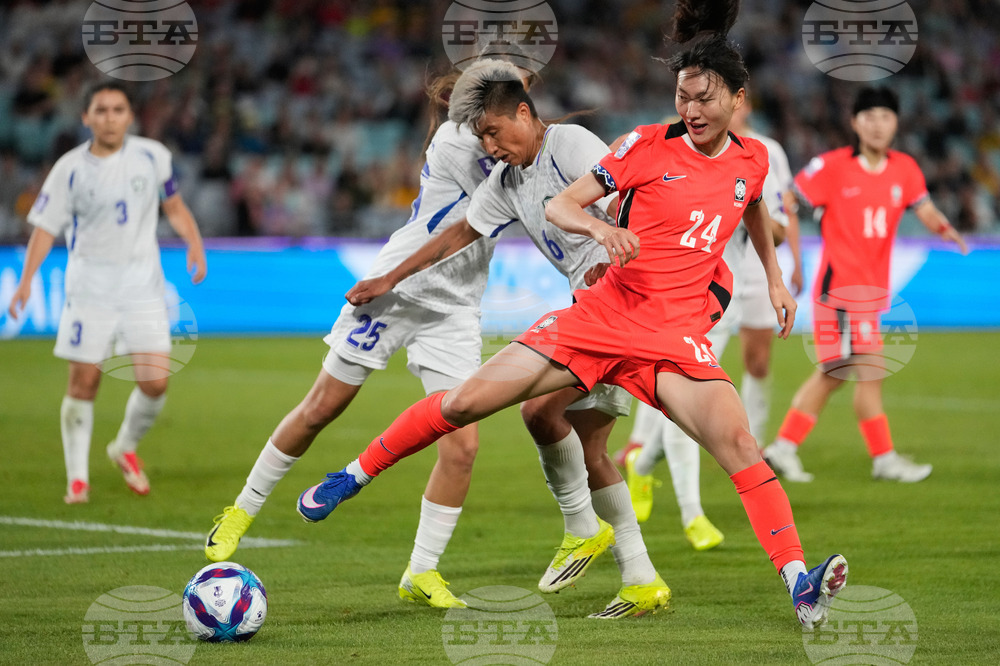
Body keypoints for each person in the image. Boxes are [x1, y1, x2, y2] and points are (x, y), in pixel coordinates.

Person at [296, 0, 849, 629]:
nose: (690, 111)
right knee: (466, 403)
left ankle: (799, 584)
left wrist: (775, 278)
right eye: (682, 97)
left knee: (741, 446)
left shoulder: (752, 160)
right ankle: (353, 475)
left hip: (672, 336)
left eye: (703, 99)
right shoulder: (643, 146)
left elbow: (748, 205)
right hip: (603, 315)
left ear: (736, 98)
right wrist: (599, 228)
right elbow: (562, 206)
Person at [337, 58, 671, 619]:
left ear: (524, 113)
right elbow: (459, 233)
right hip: (595, 309)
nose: (490, 147)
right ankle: (638, 576)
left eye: (494, 132)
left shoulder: (568, 145)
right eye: (481, 139)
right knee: (578, 440)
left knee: (525, 408)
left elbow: (635, 196)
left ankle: (582, 529)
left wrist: (617, 253)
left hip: (628, 302)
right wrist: (389, 277)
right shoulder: (507, 182)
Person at [6, 81, 207, 503]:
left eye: (117, 110)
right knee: (85, 382)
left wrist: (194, 242)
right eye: (101, 110)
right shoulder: (69, 169)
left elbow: (173, 206)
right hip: (90, 290)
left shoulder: (154, 156)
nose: (110, 117)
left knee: (154, 383)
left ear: (130, 116)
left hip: (142, 287)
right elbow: (45, 229)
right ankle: (77, 478)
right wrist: (26, 280)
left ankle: (124, 447)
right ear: (86, 117)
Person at [763, 86, 968, 483]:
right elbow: (786, 200)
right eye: (869, 117)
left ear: (896, 123)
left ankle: (784, 447)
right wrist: (793, 258)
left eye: (885, 117)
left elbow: (923, 207)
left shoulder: (904, 168)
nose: (877, 125)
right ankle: (883, 458)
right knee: (863, 368)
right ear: (855, 123)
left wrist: (945, 229)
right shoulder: (831, 167)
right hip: (838, 289)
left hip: (870, 292)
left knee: (835, 372)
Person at [622, 99, 800, 548]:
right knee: (687, 405)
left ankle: (641, 466)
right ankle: (692, 514)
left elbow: (773, 221)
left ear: (739, 104)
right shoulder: (663, 148)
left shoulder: (759, 155)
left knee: (683, 406)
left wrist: (737, 203)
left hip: (725, 299)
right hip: (670, 299)